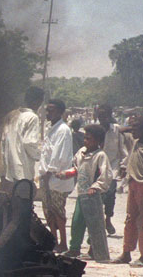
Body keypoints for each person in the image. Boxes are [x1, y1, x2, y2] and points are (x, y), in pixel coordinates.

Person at [61, 124, 111, 261]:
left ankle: (93, 249)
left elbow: (105, 175)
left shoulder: (100, 155)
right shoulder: (81, 152)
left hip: (94, 196)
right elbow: (76, 169)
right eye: (85, 138)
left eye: (89, 139)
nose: (85, 141)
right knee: (77, 221)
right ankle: (74, 248)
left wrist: (96, 187)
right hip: (82, 194)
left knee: (94, 223)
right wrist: (65, 174)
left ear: (98, 141)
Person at [36, 98, 74, 252]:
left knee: (58, 212)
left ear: (60, 111)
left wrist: (49, 171)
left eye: (51, 110)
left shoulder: (63, 130)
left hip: (56, 179)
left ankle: (63, 243)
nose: (48, 113)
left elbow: (60, 156)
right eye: (47, 110)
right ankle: (54, 240)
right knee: (48, 211)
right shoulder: (51, 128)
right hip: (46, 178)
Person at [112, 115, 143, 266]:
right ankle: (126, 252)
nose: (132, 130)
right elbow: (119, 130)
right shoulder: (136, 142)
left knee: (142, 220)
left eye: (136, 127)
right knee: (130, 218)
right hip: (133, 183)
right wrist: (133, 127)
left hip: (142, 185)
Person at [0, 86, 43, 193]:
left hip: (7, 170)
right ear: (37, 101)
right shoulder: (32, 117)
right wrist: (38, 155)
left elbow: (3, 141)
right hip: (22, 172)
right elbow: (29, 142)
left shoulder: (11, 115)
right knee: (21, 204)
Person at [95, 104, 128, 236]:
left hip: (111, 167)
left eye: (104, 115)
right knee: (96, 196)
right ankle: (97, 221)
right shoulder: (94, 129)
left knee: (110, 194)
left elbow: (122, 150)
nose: (102, 118)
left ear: (109, 116)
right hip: (95, 167)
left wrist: (123, 166)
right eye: (100, 115)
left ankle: (108, 219)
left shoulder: (116, 131)